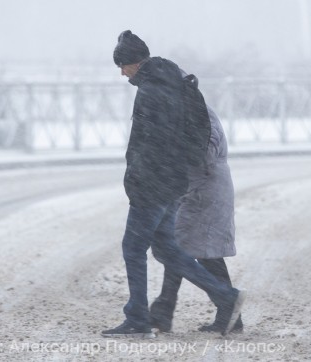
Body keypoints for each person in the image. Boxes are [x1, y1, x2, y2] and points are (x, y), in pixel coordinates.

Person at [101, 30, 245, 338]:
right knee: (169, 249)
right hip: (171, 183)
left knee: (133, 248)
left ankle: (139, 317)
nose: (122, 73)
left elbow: (151, 143)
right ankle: (225, 297)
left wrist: (138, 181)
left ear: (134, 63)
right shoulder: (172, 86)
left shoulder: (151, 92)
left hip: (153, 184)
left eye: (122, 66)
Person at [149, 104, 244, 333]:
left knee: (201, 251)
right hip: (197, 188)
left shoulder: (196, 112)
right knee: (183, 248)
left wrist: (174, 153)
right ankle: (167, 309)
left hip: (205, 189)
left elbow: (205, 154)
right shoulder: (186, 110)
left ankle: (227, 307)